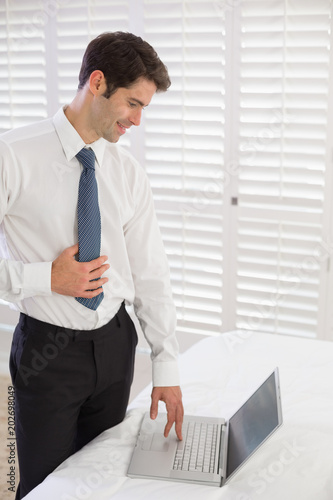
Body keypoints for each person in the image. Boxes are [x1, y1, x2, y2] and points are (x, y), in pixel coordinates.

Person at [0, 31, 183, 499]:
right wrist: (47, 277)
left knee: (100, 483)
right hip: (48, 356)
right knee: (45, 487)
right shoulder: (12, 156)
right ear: (98, 83)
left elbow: (151, 273)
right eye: (133, 104)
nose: (138, 121)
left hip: (116, 345)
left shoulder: (125, 172)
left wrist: (166, 366)